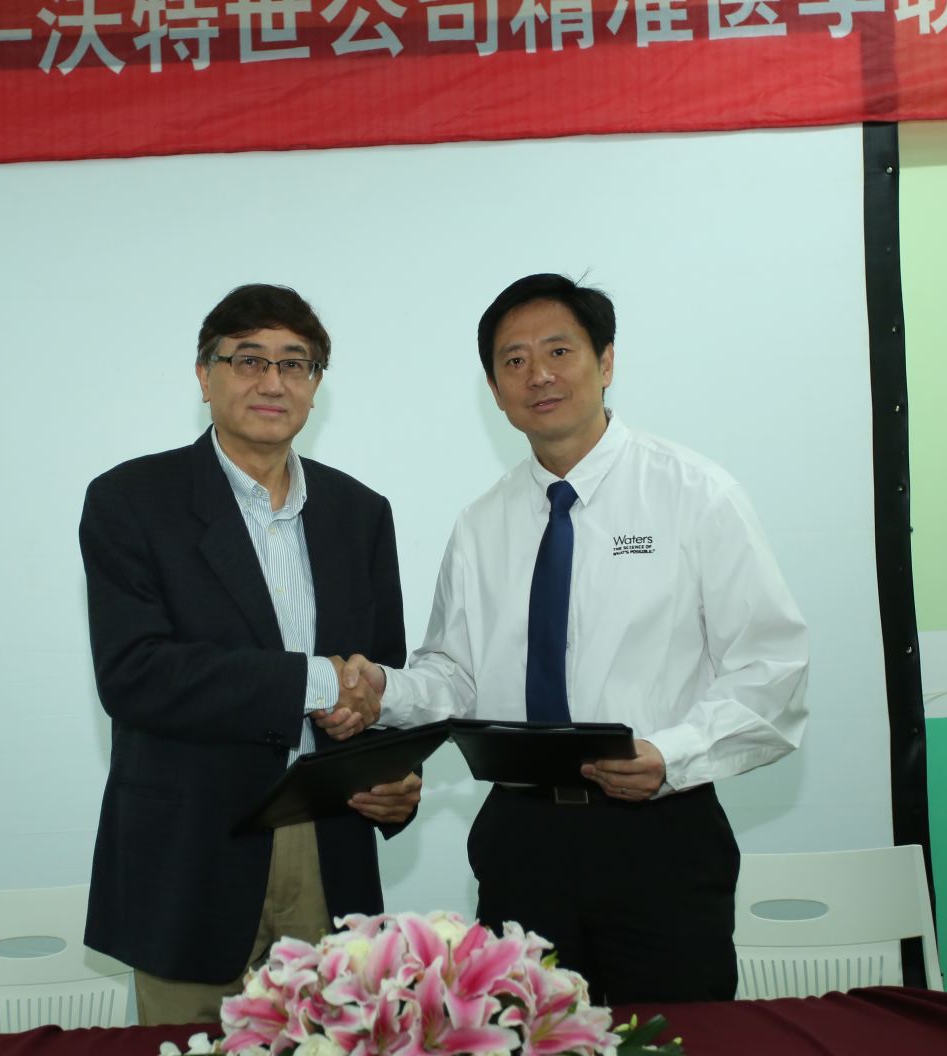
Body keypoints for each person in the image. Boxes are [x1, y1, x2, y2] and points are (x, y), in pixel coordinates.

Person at [332, 273, 808, 1004]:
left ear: (606, 361)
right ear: (495, 390)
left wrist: (671, 755)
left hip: (660, 832)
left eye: (559, 351)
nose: (539, 375)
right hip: (521, 839)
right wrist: (385, 689)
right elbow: (456, 675)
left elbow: (772, 672)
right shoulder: (482, 524)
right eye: (514, 360)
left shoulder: (695, 494)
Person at [79, 283, 421, 1026]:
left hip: (329, 846)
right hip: (192, 856)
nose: (273, 381)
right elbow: (136, 674)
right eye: (248, 360)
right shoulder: (131, 500)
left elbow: (379, 680)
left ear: (316, 386)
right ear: (205, 376)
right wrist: (315, 681)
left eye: (295, 364)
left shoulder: (360, 513)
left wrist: (395, 779)